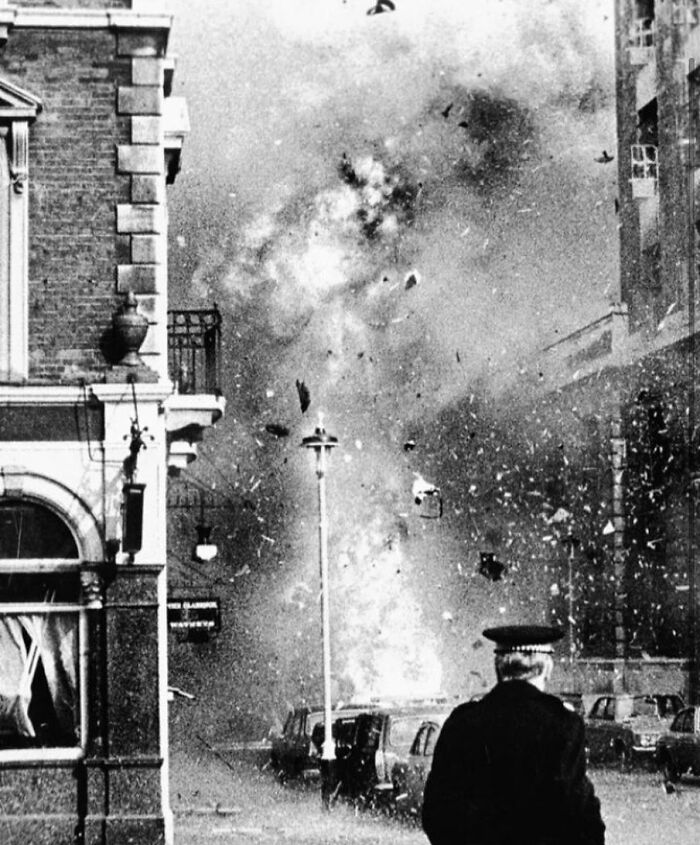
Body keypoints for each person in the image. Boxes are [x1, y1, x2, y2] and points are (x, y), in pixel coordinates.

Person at [422, 624, 605, 845]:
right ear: (546, 668)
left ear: (498, 667)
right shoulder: (562, 724)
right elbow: (579, 816)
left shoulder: (463, 722)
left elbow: (437, 814)